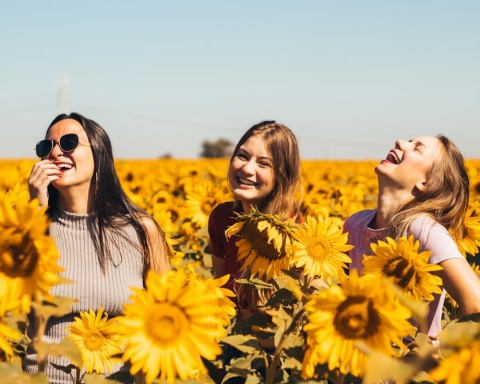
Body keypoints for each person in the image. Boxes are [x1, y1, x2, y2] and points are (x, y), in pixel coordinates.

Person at [25, 112, 171, 383]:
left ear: (99, 153)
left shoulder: (141, 230)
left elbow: (164, 317)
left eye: (68, 143)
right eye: (47, 147)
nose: (56, 152)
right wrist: (34, 215)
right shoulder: (28, 228)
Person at [344, 135, 480, 339]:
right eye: (409, 141)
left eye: (417, 149)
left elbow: (476, 305)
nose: (399, 142)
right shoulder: (354, 224)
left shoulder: (423, 230)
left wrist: (436, 356)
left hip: (408, 366)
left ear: (426, 183)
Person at [208, 120, 303, 307]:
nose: (247, 169)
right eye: (242, 156)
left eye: (263, 163)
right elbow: (220, 291)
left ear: (282, 176)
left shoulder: (297, 230)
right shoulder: (222, 217)